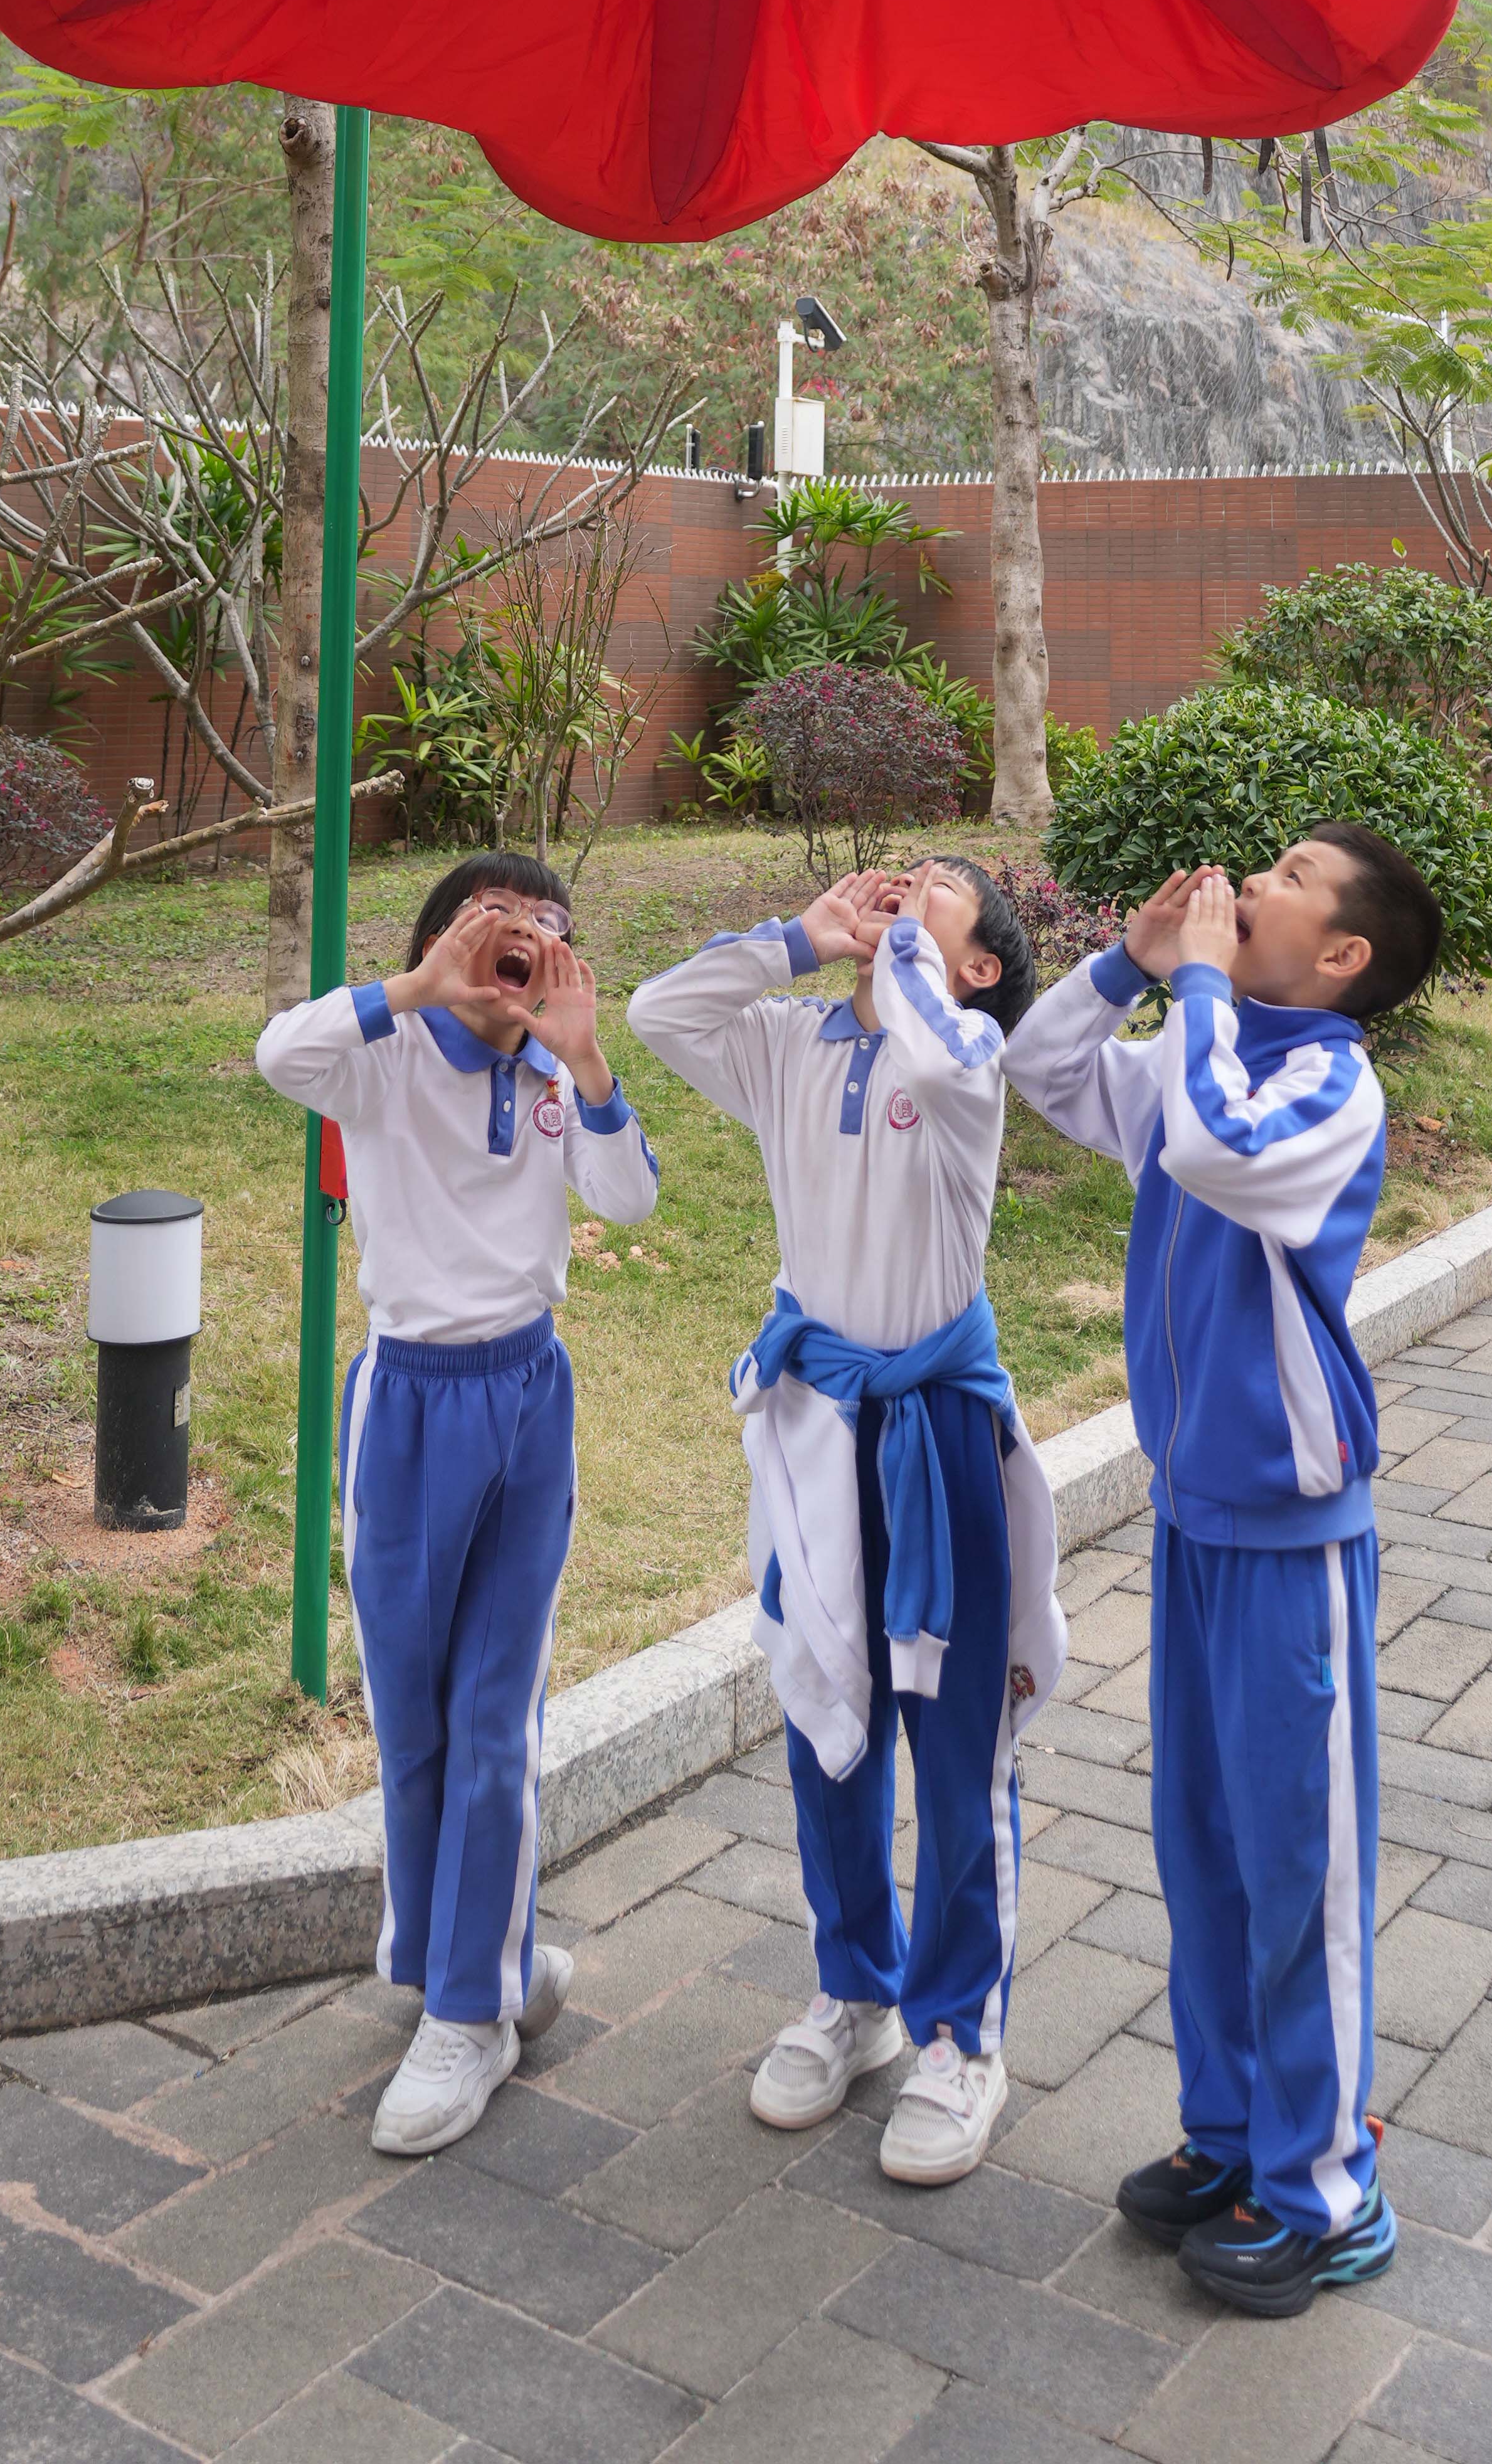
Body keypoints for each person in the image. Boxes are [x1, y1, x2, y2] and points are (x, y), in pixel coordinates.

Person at [1003, 822, 1444, 2317]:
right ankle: (1232, 2136)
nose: (1249, 879)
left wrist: (1189, 991)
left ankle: (1326, 2186)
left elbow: (1212, 1142)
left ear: (1340, 957)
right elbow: (1047, 1067)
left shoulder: (1321, 1079)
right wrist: (1132, 961)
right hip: (1193, 1515)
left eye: (1292, 876)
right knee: (1201, 1848)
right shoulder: (1209, 1039)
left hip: (1287, 1540)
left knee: (1295, 1865)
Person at [629, 858, 1064, 2185]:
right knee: (826, 1716)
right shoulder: (791, 1044)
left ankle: (957, 2034)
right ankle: (854, 1991)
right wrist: (803, 937)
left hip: (935, 1431)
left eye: (940, 891)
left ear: (977, 964)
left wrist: (909, 968)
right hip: (816, 1426)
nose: (905, 888)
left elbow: (934, 1068)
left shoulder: (966, 1059)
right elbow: (657, 1012)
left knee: (951, 1743)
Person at [254, 847, 659, 2159]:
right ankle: (463, 1952)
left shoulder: (549, 1077)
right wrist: (413, 984)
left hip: (525, 1397)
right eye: (494, 933)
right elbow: (278, 1053)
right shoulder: (380, 1055)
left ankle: (471, 2011)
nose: (517, 955)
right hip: (407, 1403)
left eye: (544, 936)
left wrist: (586, 1061)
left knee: (498, 1710)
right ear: (442, 945)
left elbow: (628, 1195)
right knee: (412, 1709)